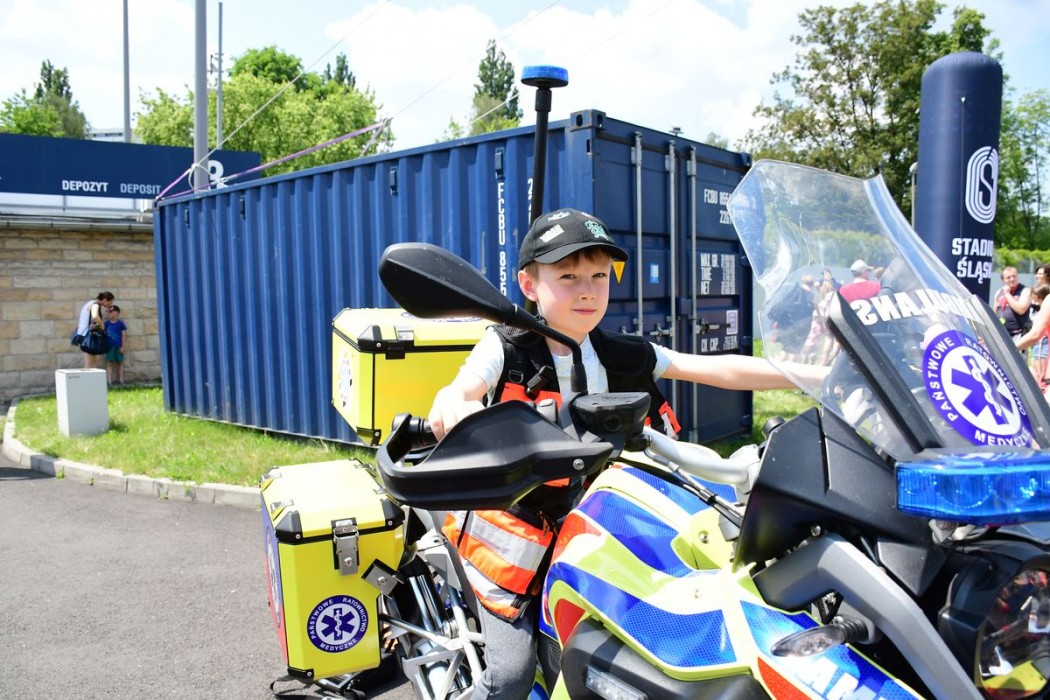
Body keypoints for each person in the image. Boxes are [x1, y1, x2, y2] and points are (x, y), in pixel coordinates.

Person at [428, 208, 801, 699]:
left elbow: (717, 369)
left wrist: (812, 375)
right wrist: (456, 409)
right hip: (509, 538)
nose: (587, 290)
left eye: (599, 276)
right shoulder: (505, 348)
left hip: (591, 528)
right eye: (568, 276)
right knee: (513, 674)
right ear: (529, 284)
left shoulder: (618, 353)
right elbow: (459, 392)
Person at [74, 291, 114, 368]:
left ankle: (91, 375)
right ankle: (88, 375)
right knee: (90, 363)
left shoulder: (90, 303)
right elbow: (95, 316)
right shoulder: (95, 305)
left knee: (93, 361)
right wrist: (102, 326)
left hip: (83, 335)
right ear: (105, 300)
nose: (110, 305)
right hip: (87, 336)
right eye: (110, 302)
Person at [995, 266, 1032, 346]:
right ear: (1003, 280)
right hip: (1001, 334)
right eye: (1008, 277)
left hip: (1018, 334)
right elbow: (995, 313)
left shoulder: (1025, 291)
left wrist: (1007, 294)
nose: (1012, 279)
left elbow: (1021, 310)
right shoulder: (999, 292)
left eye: (1014, 276)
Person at [1030, 265, 1050, 379]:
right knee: (1035, 369)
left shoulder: (1047, 296)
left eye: (1040, 273)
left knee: (1041, 373)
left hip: (1044, 338)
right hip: (1039, 339)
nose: (1037, 276)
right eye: (1036, 273)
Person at [104, 305, 128, 385]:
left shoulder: (120, 324)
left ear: (116, 312)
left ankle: (121, 380)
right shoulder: (106, 324)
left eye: (111, 312)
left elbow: (123, 335)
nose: (109, 313)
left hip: (118, 346)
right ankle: (109, 380)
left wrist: (123, 347)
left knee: (120, 363)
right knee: (109, 363)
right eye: (109, 312)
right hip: (109, 347)